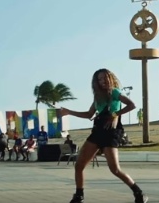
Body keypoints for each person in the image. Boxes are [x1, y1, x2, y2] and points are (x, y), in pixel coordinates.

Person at [60, 68, 147, 203]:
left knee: (115, 169)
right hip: (97, 132)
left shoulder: (115, 92)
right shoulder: (98, 97)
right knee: (79, 165)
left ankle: (138, 193)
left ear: (110, 78)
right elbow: (89, 114)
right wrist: (69, 112)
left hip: (111, 133)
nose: (102, 81)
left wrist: (114, 114)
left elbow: (131, 105)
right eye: (99, 80)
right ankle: (79, 195)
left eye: (104, 78)